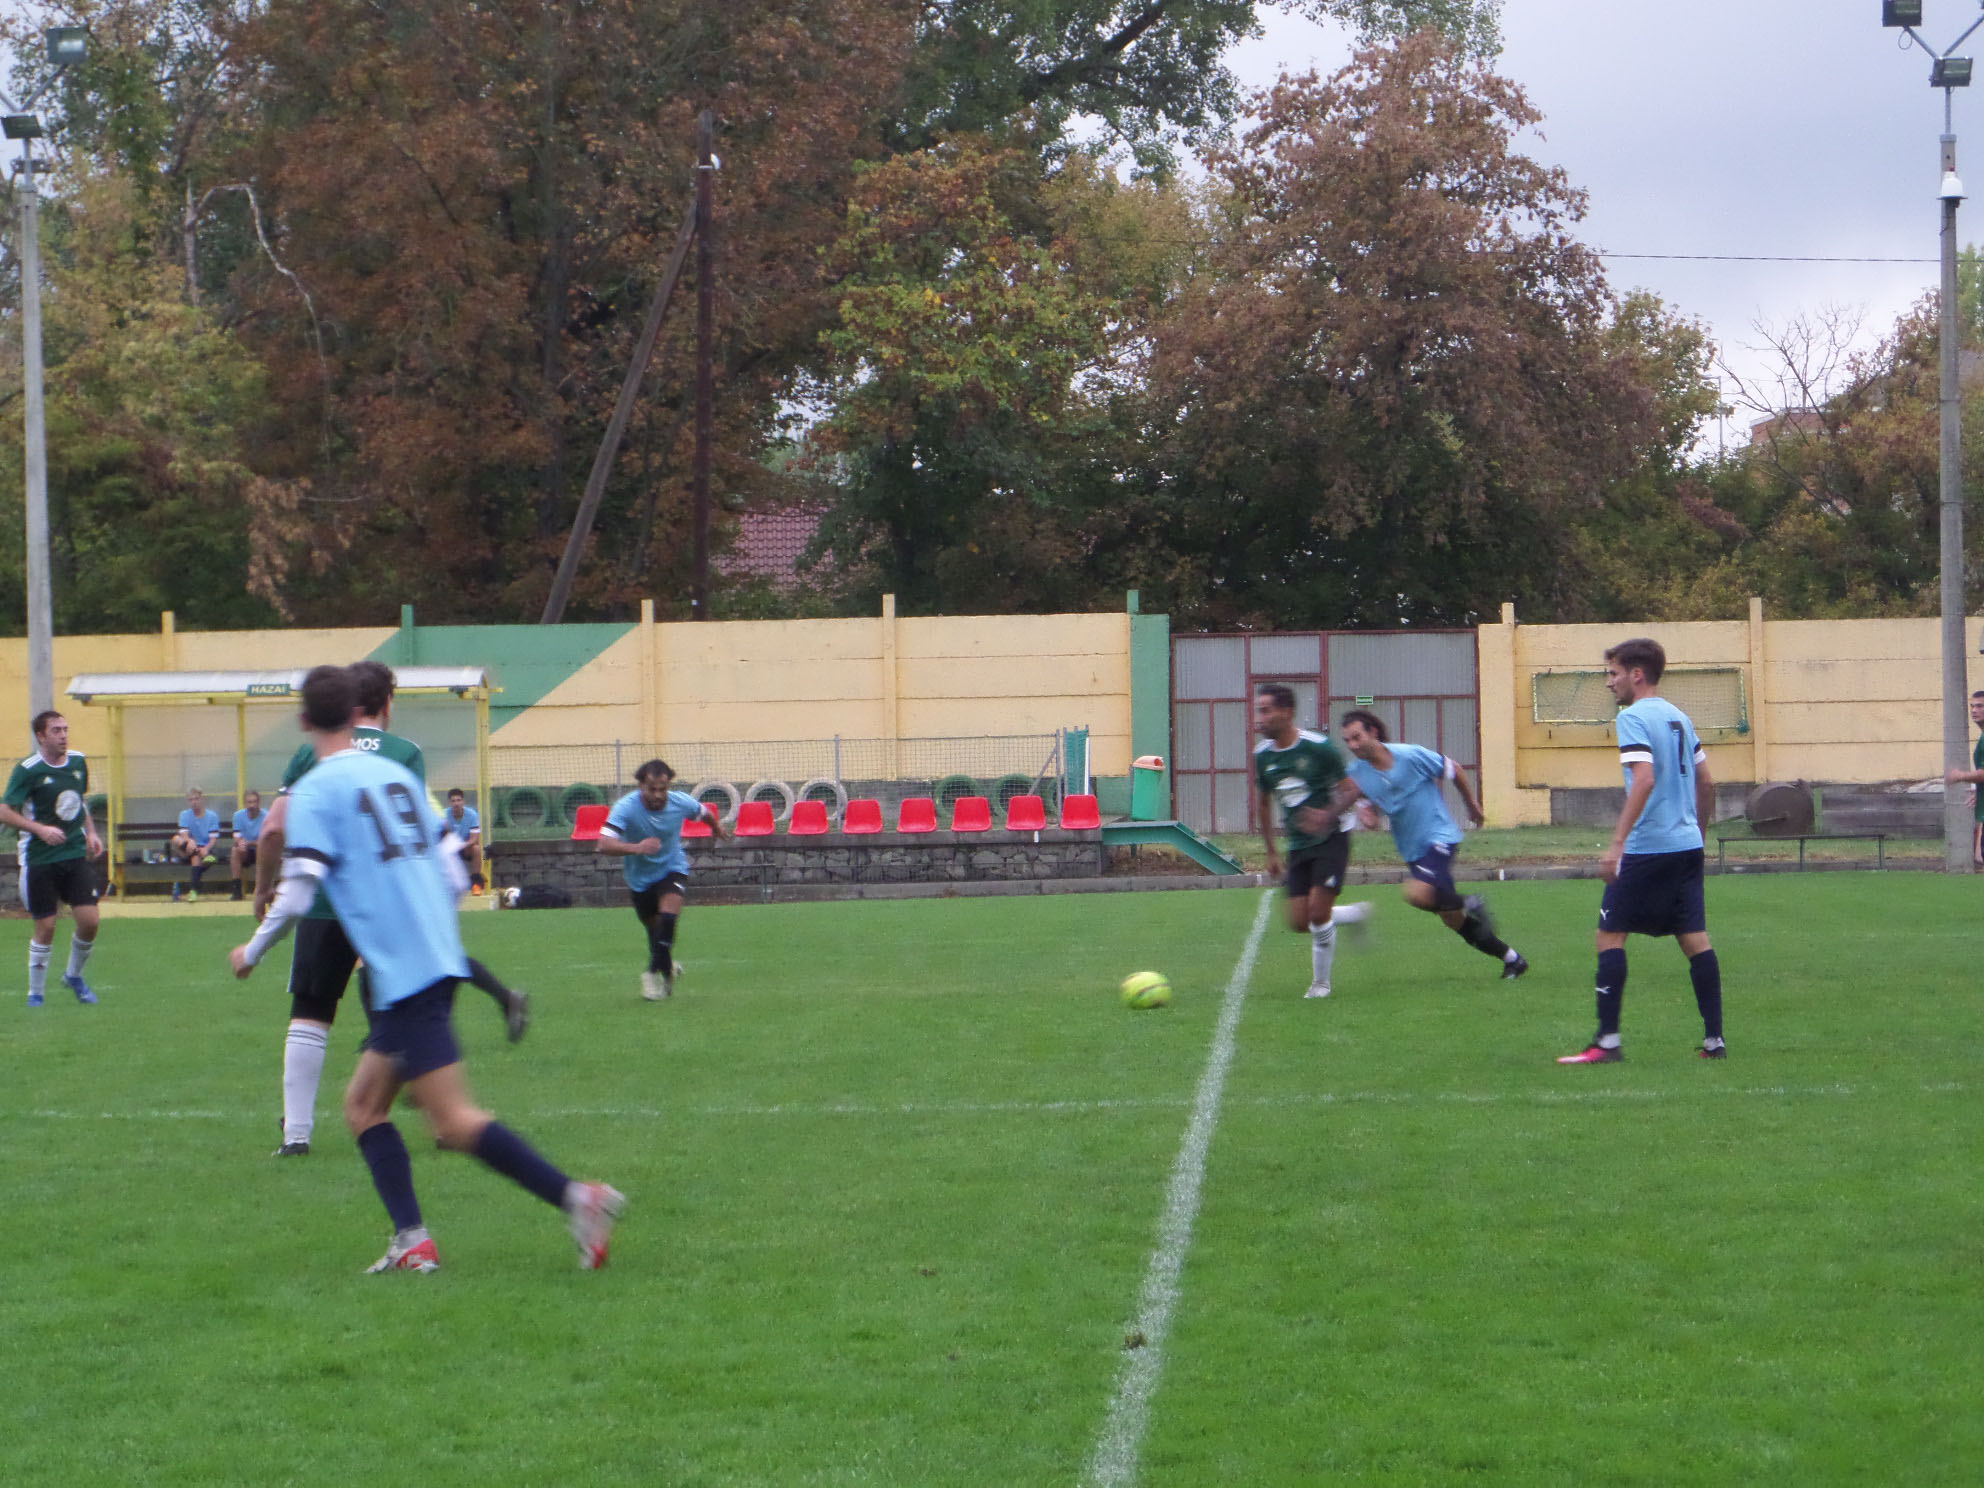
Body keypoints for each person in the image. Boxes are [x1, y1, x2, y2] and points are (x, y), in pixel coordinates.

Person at [229, 665, 623, 1273]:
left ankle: (580, 1199)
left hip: (405, 971)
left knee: (453, 1122)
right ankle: (412, 1241)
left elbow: (300, 890)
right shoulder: (398, 773)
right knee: (364, 1107)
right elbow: (451, 867)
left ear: (304, 720)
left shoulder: (314, 789)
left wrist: (252, 951)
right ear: (360, 712)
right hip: (424, 958)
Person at [258, 660, 526, 1159]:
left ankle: (296, 1134)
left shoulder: (310, 753)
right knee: (408, 1009)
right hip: (384, 902)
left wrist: (261, 888)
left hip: (325, 899)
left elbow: (274, 826)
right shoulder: (404, 753)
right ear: (386, 703)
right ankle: (441, 1118)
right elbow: (420, 829)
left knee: (311, 1012)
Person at [1559, 637, 1725, 1065]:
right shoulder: (1679, 717)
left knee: (1610, 935)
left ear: (1636, 675)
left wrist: (1617, 843)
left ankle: (1607, 1043)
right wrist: (1697, 834)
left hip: (1648, 847)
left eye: (1613, 673)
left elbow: (1645, 778)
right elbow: (1707, 782)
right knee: (1694, 939)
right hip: (1687, 846)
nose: (1609, 682)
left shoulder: (1632, 718)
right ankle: (1714, 1042)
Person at [1336, 709, 1528, 980]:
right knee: (1452, 918)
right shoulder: (1356, 773)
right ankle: (1512, 959)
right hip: (1412, 850)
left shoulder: (1409, 755)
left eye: (1357, 737)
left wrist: (1471, 804)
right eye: (1347, 741)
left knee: (1416, 894)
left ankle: (1472, 901)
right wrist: (1366, 814)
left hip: (1439, 836)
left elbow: (1453, 769)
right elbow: (1368, 810)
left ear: (1373, 733)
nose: (1353, 745)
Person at [1252, 684, 1371, 1000]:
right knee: (1299, 921)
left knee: (1318, 914)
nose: (1259, 718)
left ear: (1287, 712)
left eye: (1265, 710)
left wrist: (1327, 816)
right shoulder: (1262, 756)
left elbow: (1352, 790)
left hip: (1332, 837)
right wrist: (1271, 852)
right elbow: (1263, 803)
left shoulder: (1319, 748)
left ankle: (1321, 984)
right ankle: (1354, 914)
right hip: (1297, 843)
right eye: (1258, 710)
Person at [597, 759, 728, 1001]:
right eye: (652, 789)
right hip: (640, 879)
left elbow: (704, 813)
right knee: (657, 932)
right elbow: (603, 844)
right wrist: (637, 848)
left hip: (672, 869)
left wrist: (716, 827)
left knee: (668, 919)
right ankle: (667, 971)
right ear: (641, 786)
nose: (658, 795)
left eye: (663, 789)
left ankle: (650, 974)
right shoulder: (626, 807)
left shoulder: (680, 802)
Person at [0, 711, 104, 1006]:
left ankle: (73, 976)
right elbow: (5, 811)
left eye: (65, 729)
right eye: (56, 730)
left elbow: (79, 802)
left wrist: (92, 833)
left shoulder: (78, 762)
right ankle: (36, 993)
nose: (63, 735)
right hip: (40, 858)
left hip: (74, 853)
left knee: (90, 921)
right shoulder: (28, 770)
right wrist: (40, 829)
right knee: (46, 926)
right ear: (41, 736)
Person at [169, 786, 223, 902]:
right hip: (187, 848)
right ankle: (204, 858)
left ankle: (193, 890)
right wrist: (191, 841)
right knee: (176, 839)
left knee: (195, 857)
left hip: (204, 848)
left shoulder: (212, 816)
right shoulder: (184, 815)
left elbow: (212, 839)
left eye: (196, 799)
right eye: (191, 800)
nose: (194, 802)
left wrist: (205, 849)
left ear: (202, 799)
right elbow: (184, 835)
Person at [441, 788, 486, 894]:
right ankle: (444, 885)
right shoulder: (444, 815)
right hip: (450, 849)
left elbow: (474, 838)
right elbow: (443, 835)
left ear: (463, 801)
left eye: (458, 800)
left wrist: (463, 845)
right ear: (449, 803)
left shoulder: (472, 815)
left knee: (476, 848)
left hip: (466, 848)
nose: (456, 803)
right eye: (453, 801)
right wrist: (452, 845)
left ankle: (476, 884)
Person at [230, 789, 266, 902]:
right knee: (235, 851)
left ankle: (259, 888)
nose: (252, 805)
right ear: (245, 803)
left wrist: (249, 842)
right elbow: (237, 836)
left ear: (258, 802)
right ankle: (237, 891)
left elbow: (266, 841)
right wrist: (240, 843)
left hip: (262, 851)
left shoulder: (267, 816)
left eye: (254, 802)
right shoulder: (238, 816)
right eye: (249, 802)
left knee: (261, 849)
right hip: (246, 851)